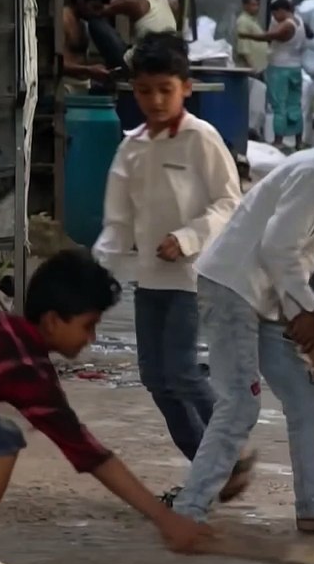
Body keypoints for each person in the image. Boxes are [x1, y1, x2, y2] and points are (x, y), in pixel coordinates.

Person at [0, 249, 211, 564]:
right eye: (87, 326)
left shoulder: (3, 329)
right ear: (52, 321)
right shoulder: (26, 366)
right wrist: (164, 519)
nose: (91, 338)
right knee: (2, 440)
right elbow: (89, 453)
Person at [171, 95, 314, 536]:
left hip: (265, 296)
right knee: (240, 404)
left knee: (305, 397)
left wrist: (299, 309)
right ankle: (186, 514)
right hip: (233, 287)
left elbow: (298, 257)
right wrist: (306, 309)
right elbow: (276, 248)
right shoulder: (312, 173)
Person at [92, 32, 255, 502]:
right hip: (150, 279)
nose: (156, 100)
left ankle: (231, 453)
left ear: (185, 87)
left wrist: (187, 238)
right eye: (145, 91)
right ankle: (209, 465)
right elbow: (117, 221)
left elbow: (229, 202)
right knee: (154, 378)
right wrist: (98, 272)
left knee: (182, 373)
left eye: (166, 89)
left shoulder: (202, 140)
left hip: (195, 276)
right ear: (134, 92)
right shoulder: (132, 149)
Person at [239, 0, 308, 150]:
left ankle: (278, 140)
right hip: (296, 68)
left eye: (275, 14)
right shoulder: (299, 21)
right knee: (294, 105)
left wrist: (246, 36)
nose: (274, 18)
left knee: (279, 105)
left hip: (280, 69)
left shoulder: (287, 26)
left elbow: (270, 36)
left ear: (282, 10)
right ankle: (298, 140)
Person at [106, 0, 180, 65]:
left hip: (143, 61)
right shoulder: (171, 0)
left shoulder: (137, 4)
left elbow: (104, 9)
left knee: (96, 23)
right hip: (167, 59)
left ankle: (115, 70)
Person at [61, 0, 115, 96]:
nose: (97, 13)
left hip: (83, 84)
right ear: (80, 0)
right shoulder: (64, 19)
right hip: (66, 85)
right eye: (94, 7)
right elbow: (56, 63)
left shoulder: (83, 21)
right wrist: (88, 70)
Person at [234, 0, 269, 74]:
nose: (256, 8)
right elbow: (243, 48)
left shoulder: (252, 20)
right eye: (253, 5)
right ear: (245, 5)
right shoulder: (243, 21)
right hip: (251, 69)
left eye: (258, 5)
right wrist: (252, 67)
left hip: (260, 68)